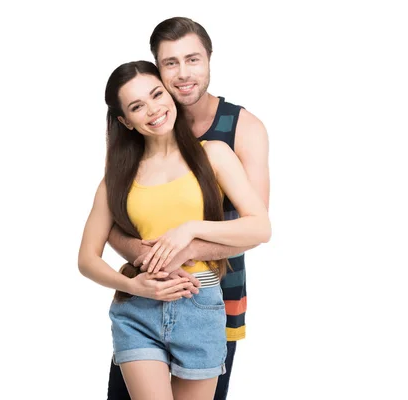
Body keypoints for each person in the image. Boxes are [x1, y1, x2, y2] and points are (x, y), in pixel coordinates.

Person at [78, 60, 270, 400]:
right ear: (125, 121)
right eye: (137, 106)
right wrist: (131, 284)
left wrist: (191, 230)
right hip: (138, 308)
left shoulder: (213, 154)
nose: (153, 109)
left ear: (169, 94)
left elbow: (260, 227)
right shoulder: (117, 177)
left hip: (202, 304)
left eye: (156, 94)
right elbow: (87, 258)